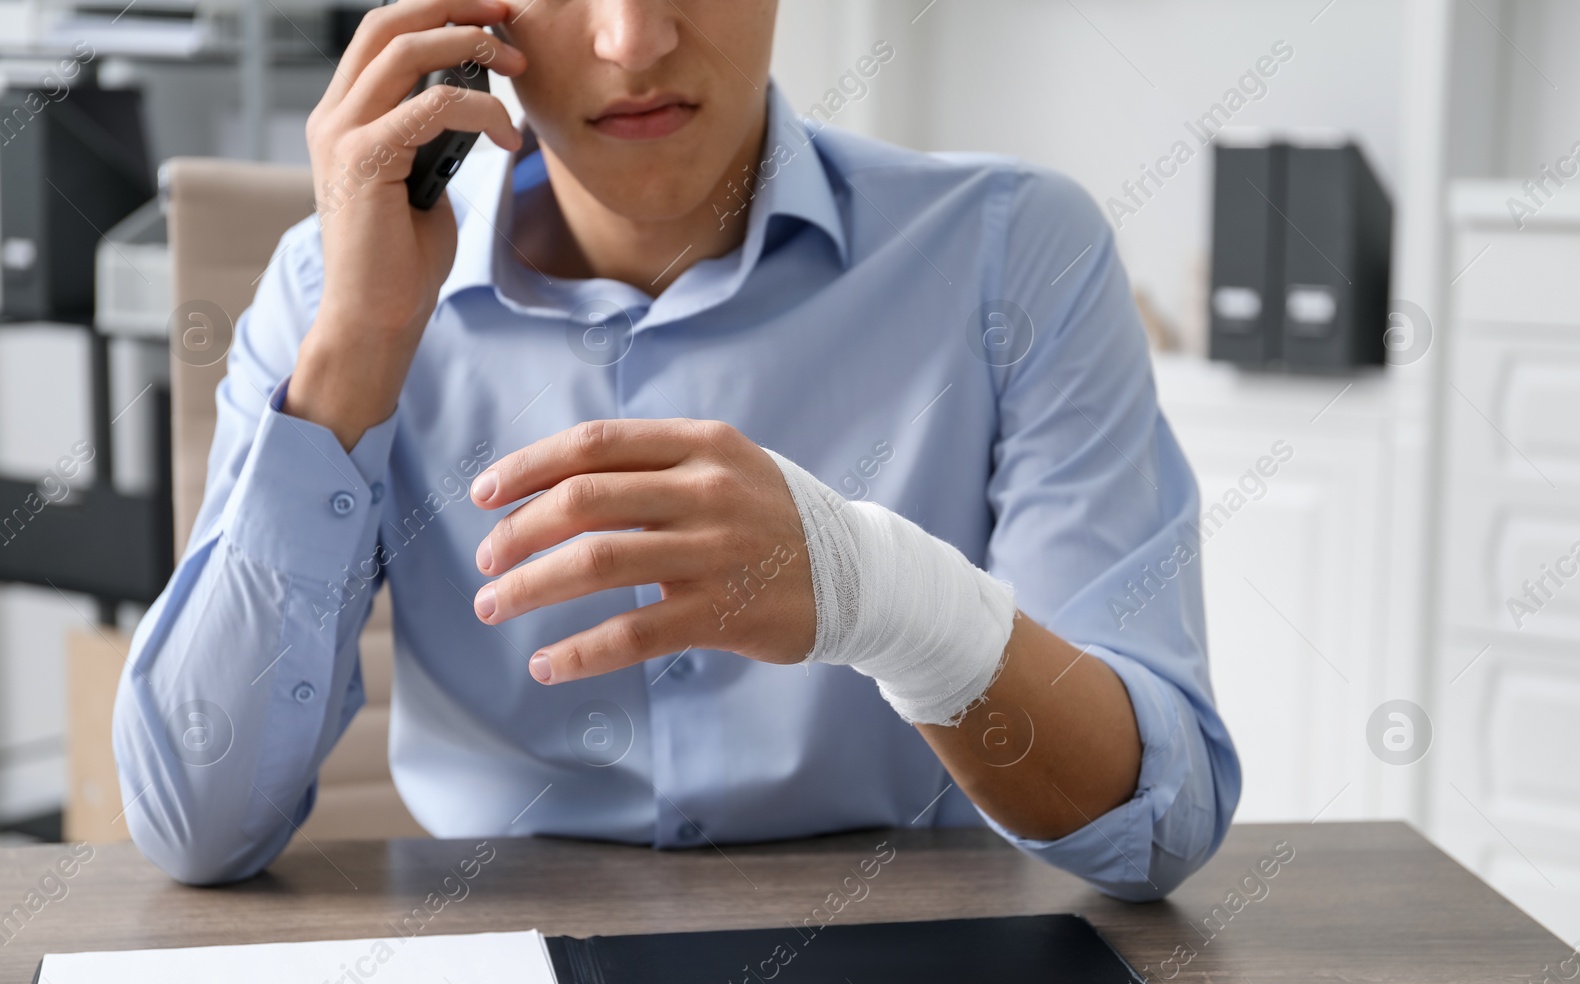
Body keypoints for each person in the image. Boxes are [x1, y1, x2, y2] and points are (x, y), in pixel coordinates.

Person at [112, 0, 1239, 897]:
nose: (633, 38)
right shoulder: (329, 289)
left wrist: (878, 593)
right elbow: (193, 827)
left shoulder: (1013, 251)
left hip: (918, 962)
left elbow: (1154, 827)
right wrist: (357, 345)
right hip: (499, 970)